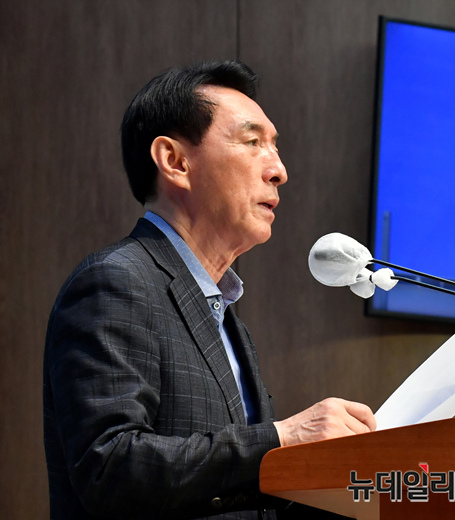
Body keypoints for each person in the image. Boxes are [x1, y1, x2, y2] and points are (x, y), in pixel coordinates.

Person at [43, 61, 376, 520]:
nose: (279, 170)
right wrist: (283, 438)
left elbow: (240, 492)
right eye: (253, 142)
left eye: (275, 146)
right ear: (175, 162)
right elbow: (110, 467)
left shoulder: (223, 312)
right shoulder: (114, 283)